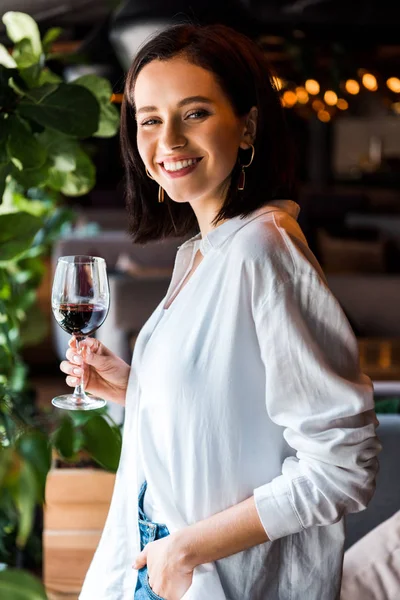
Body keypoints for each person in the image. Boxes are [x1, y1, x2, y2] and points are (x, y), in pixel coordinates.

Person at [60, 23, 381, 600]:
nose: (169, 141)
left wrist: (185, 549)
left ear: (248, 126)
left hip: (209, 573)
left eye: (195, 113)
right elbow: (226, 418)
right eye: (151, 120)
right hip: (156, 556)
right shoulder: (205, 251)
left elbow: (342, 468)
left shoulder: (264, 249)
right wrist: (134, 391)